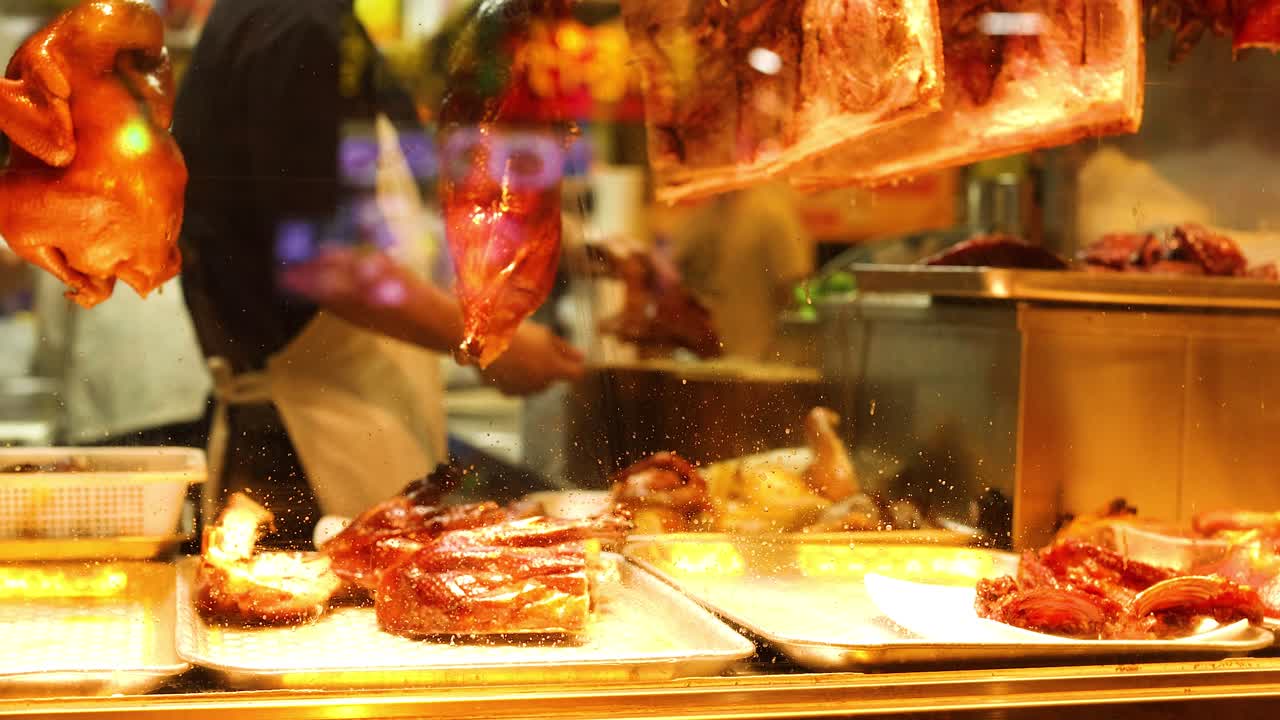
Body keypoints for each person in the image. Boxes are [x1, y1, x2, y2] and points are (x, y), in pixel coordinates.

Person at [173, 0, 584, 543]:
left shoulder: (316, 27)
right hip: (309, 455)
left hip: (342, 435)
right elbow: (327, 264)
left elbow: (399, 214)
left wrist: (570, 248)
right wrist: (484, 338)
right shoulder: (299, 27)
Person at [658, 182, 814, 361]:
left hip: (758, 360)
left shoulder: (772, 214)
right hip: (709, 360)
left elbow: (795, 292)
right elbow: (673, 273)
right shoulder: (703, 214)